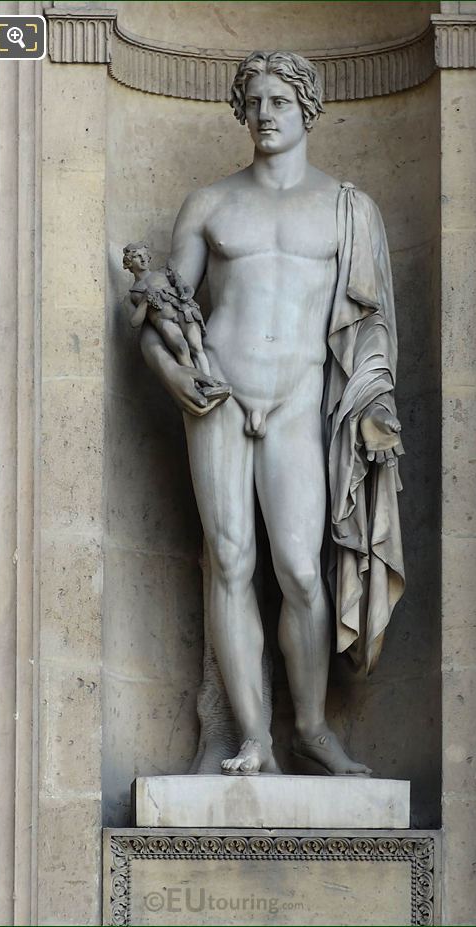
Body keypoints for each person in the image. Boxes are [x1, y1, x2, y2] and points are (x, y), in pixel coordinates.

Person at [140, 50, 405, 776]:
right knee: (227, 559)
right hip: (218, 391)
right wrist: (173, 374)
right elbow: (162, 314)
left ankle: (312, 728)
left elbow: (371, 325)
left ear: (307, 108)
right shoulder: (210, 203)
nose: (264, 115)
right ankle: (253, 736)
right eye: (253, 102)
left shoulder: (347, 206)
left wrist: (374, 405)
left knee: (297, 567)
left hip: (298, 397)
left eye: (279, 102)